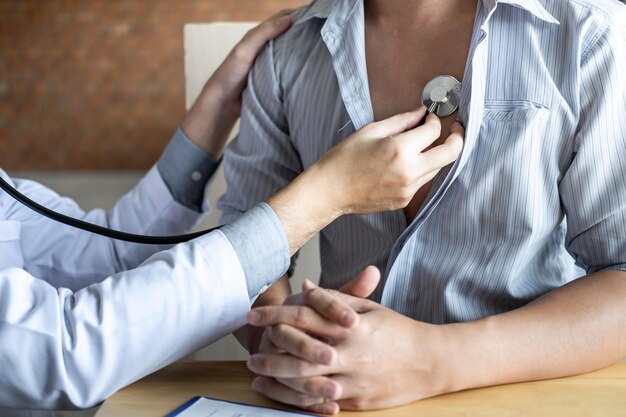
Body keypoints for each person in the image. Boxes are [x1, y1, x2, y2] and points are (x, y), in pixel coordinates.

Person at [0, 9, 464, 415]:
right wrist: (325, 194)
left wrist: (218, 104)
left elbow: (110, 253)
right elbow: (59, 350)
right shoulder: (294, 57)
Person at [217, 0, 626, 414]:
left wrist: (432, 359)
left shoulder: (591, 32)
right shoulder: (285, 53)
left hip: (531, 401)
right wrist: (282, 337)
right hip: (339, 402)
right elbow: (242, 244)